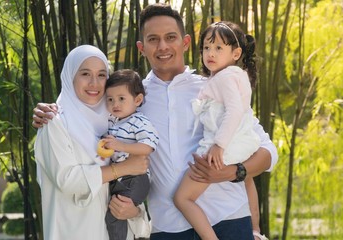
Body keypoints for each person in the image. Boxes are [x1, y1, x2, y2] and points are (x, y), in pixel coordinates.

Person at [33, 4, 278, 240]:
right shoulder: (131, 98)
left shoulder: (214, 87)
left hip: (229, 219)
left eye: (171, 37)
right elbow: (86, 109)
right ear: (141, 47)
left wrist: (234, 172)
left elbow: (267, 151)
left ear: (186, 42)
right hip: (167, 228)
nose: (163, 46)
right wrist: (52, 112)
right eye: (153, 39)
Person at [34, 45, 150, 240]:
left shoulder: (118, 121)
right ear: (70, 76)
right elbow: (69, 180)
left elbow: (134, 183)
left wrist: (136, 214)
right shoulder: (55, 123)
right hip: (74, 232)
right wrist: (122, 168)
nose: (94, 83)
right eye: (85, 74)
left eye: (102, 75)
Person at [173, 21, 267, 240]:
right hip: (240, 145)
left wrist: (219, 145)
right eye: (206, 47)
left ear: (236, 53)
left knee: (182, 198)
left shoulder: (225, 77)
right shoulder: (237, 75)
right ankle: (255, 231)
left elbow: (234, 110)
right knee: (247, 180)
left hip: (224, 148)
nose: (210, 53)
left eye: (218, 48)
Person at [101, 69, 159, 240]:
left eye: (121, 98)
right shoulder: (112, 120)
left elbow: (148, 147)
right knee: (114, 212)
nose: (115, 104)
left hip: (136, 178)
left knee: (115, 215)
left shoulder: (139, 121)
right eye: (110, 99)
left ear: (138, 100)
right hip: (120, 176)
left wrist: (121, 146)